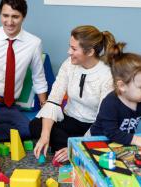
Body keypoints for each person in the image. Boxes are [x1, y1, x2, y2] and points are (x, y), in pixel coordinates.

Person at [29, 25, 117, 163]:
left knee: (106, 139)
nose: (69, 51)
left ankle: (73, 148)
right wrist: (45, 136)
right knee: (36, 126)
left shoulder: (107, 75)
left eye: (74, 49)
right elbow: (53, 101)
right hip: (70, 119)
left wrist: (75, 147)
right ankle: (74, 149)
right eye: (70, 46)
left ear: (90, 52)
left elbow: (103, 120)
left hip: (93, 125)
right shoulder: (68, 64)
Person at [0, 0, 48, 142]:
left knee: (28, 129)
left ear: (23, 16)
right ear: (0, 14)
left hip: (6, 106)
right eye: (5, 15)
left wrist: (45, 108)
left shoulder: (34, 43)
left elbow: (38, 78)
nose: (9, 22)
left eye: (15, 16)